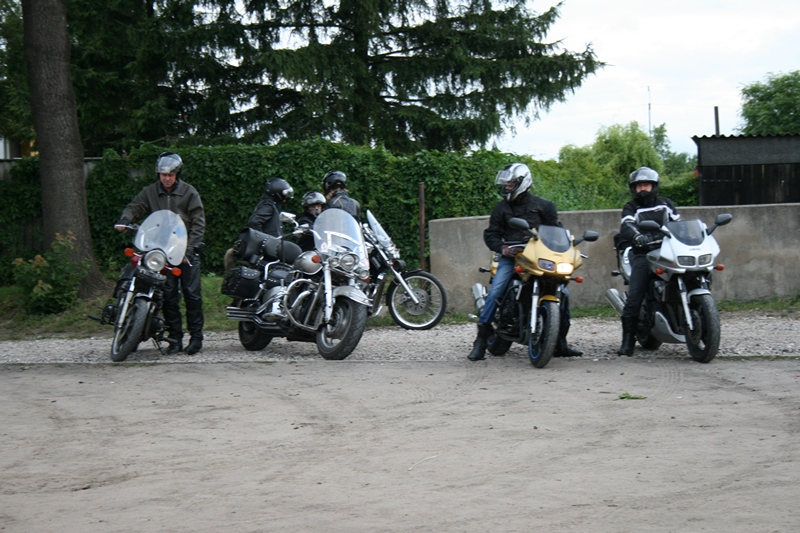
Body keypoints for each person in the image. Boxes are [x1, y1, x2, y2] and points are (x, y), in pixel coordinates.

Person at [467, 162, 582, 361]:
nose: (507, 187)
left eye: (510, 184)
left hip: (538, 257)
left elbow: (556, 232)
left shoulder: (544, 206)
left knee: (563, 293)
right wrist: (503, 248)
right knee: (496, 291)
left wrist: (567, 246)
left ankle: (560, 342)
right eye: (506, 184)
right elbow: (492, 234)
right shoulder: (501, 208)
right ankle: (481, 340)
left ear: (523, 183)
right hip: (512, 257)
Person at [115, 152, 205, 355]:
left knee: (192, 296)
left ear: (177, 174)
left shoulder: (189, 193)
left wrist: (189, 248)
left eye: (170, 175)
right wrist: (126, 219)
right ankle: (175, 339)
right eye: (163, 175)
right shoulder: (150, 192)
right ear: (158, 174)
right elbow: (135, 207)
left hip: (185, 250)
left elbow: (198, 223)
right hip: (161, 251)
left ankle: (196, 338)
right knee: (168, 296)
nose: (167, 178)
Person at [616, 166, 680, 356]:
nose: (643, 188)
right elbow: (627, 225)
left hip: (667, 251)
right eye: (639, 185)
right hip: (643, 253)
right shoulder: (631, 207)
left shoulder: (666, 204)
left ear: (654, 186)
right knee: (635, 295)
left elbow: (678, 224)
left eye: (646, 185)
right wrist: (637, 236)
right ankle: (628, 341)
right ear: (633, 188)